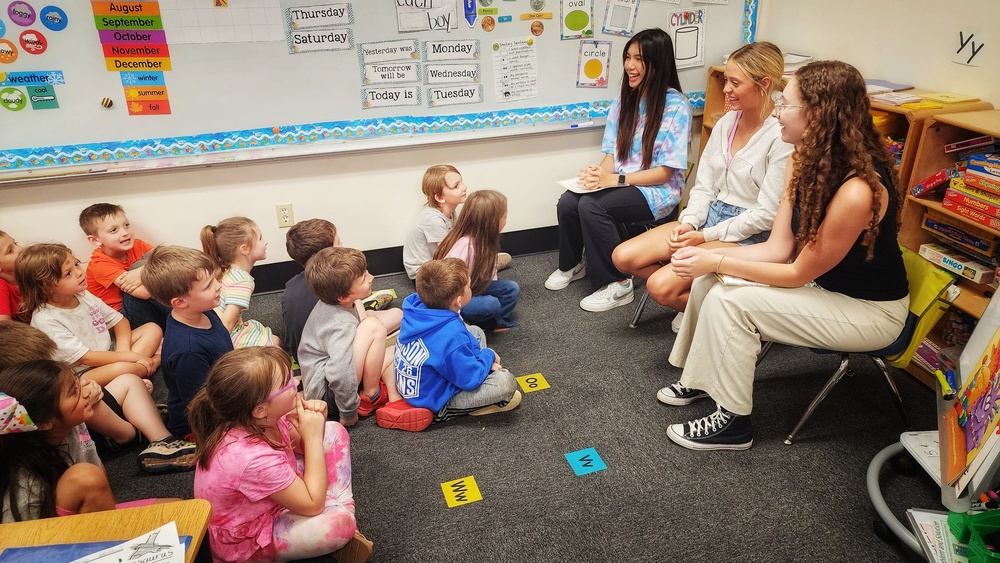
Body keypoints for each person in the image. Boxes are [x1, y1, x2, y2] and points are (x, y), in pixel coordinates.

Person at [659, 60, 909, 451]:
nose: (776, 112)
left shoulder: (857, 190)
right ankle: (701, 379)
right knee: (713, 280)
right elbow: (778, 249)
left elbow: (794, 273)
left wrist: (718, 258)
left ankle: (734, 425)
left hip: (868, 311)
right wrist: (710, 256)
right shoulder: (804, 156)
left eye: (785, 104)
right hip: (822, 285)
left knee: (731, 301)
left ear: (817, 114)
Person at [612, 42, 793, 331]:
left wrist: (705, 236)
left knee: (660, 287)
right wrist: (690, 223)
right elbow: (703, 187)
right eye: (725, 81)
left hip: (747, 231)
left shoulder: (781, 135)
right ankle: (701, 293)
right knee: (622, 257)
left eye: (735, 83)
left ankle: (725, 313)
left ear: (764, 84)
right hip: (708, 218)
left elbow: (768, 214)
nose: (725, 90)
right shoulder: (724, 124)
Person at [546, 28, 692, 312]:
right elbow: (612, 155)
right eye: (627, 57)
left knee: (591, 206)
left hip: (658, 192)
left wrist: (615, 179)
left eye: (638, 58)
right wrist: (596, 176)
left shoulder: (677, 106)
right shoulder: (624, 99)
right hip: (622, 183)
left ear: (658, 62)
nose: (630, 65)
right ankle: (573, 264)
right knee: (568, 201)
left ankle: (619, 283)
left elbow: (665, 173)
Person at [190, 347, 372, 563]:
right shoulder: (249, 457)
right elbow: (312, 504)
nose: (295, 383)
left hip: (268, 497)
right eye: (286, 383)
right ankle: (344, 517)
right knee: (339, 525)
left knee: (333, 432)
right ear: (260, 409)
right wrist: (313, 436)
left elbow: (301, 447)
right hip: (249, 539)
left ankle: (341, 507)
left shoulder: (262, 418)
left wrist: (317, 423)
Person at [0, 321, 196, 472]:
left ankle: (160, 437)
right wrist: (87, 396)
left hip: (83, 419)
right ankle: (143, 426)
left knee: (129, 381)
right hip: (90, 427)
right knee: (105, 402)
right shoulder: (40, 421)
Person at [0, 360, 174, 522]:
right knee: (86, 478)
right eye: (74, 391)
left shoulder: (74, 422)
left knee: (178, 512)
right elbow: (29, 543)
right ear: (44, 423)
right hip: (44, 535)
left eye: (78, 381)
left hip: (83, 513)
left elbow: (98, 476)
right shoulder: (26, 487)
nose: (87, 388)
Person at [384, 258, 521, 432]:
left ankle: (476, 368)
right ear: (458, 300)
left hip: (419, 382)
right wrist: (488, 355)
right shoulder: (451, 335)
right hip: (432, 399)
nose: (471, 289)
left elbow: (452, 343)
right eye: (469, 287)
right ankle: (449, 412)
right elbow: (470, 380)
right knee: (506, 382)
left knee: (476, 332)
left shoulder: (416, 306)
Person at [16, 243, 162, 386]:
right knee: (124, 368)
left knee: (152, 329)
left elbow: (119, 321)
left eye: (76, 264)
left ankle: (135, 374)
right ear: (45, 287)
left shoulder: (82, 295)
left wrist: (124, 352)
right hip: (82, 372)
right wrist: (128, 359)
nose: (79, 272)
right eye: (68, 273)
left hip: (109, 351)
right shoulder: (46, 319)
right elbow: (87, 358)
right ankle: (153, 363)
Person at [298, 247, 409, 427]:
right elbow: (339, 373)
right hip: (330, 395)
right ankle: (370, 394)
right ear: (343, 296)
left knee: (395, 344)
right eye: (364, 278)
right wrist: (348, 414)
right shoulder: (341, 324)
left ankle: (391, 397)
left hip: (334, 380)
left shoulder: (344, 301)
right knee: (374, 328)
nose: (371, 277)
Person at [141, 245, 235, 438]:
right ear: (180, 302)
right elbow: (203, 407)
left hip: (225, 388)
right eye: (208, 285)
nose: (218, 285)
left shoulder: (203, 309)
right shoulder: (187, 351)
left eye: (214, 279)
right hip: (200, 425)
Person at [402, 165, 510, 281]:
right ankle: (482, 266)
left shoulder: (450, 212)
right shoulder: (433, 220)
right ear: (439, 197)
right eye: (456, 186)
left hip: (438, 262)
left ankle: (483, 264)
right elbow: (446, 254)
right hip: (424, 275)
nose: (464, 187)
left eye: (461, 182)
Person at [433, 190, 519, 331]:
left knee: (511, 288)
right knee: (491, 304)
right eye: (504, 216)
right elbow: (448, 286)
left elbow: (489, 276)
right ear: (491, 222)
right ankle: (471, 322)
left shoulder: (486, 240)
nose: (506, 219)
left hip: (472, 286)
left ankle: (494, 322)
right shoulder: (464, 247)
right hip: (454, 297)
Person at [79, 203, 169, 331]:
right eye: (113, 230)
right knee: (145, 264)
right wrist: (148, 269)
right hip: (123, 321)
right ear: (95, 240)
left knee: (153, 261)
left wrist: (141, 272)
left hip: (149, 310)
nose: (125, 233)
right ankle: (189, 314)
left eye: (126, 225)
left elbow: (169, 259)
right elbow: (144, 293)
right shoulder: (99, 264)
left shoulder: (138, 245)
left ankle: (189, 314)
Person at [201, 216, 281, 348]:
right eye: (260, 238)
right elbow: (227, 323)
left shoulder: (227, 270)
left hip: (217, 329)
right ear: (244, 249)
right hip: (225, 336)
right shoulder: (242, 281)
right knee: (275, 343)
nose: (265, 242)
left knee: (265, 333)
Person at [282, 219, 343, 357]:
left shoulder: (290, 287)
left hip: (300, 356)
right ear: (329, 253)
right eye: (339, 243)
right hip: (332, 356)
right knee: (394, 314)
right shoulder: (337, 284)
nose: (342, 245)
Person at [0, 230, 25, 322]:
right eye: (10, 250)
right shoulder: (1, 286)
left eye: (16, 243)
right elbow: (4, 329)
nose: (21, 249)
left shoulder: (26, 274)